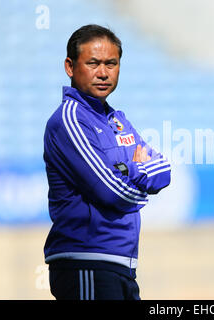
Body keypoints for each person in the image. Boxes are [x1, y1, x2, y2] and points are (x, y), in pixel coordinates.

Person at [43, 24, 171, 300]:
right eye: (93, 63)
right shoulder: (69, 120)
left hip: (120, 264)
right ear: (70, 66)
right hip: (86, 262)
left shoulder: (117, 120)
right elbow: (110, 191)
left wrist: (124, 172)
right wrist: (136, 170)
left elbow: (163, 170)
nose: (103, 72)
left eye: (111, 63)